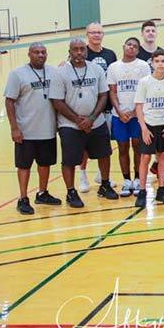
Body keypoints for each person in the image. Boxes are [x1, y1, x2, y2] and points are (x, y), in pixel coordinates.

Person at [50, 39, 118, 208]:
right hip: (70, 125)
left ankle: (104, 184)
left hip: (96, 122)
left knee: (104, 154)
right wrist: (77, 120)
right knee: (69, 160)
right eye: (75, 49)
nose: (79, 52)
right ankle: (71, 192)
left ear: (86, 51)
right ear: (70, 52)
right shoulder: (60, 72)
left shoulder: (96, 69)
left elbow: (103, 95)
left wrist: (92, 119)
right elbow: (57, 101)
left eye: (82, 49)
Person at [5, 43, 61, 214]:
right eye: (36, 52)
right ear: (29, 54)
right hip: (26, 131)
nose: (40, 55)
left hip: (48, 129)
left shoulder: (53, 72)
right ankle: (23, 198)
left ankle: (42, 193)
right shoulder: (17, 74)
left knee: (45, 164)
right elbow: (9, 101)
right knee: (24, 166)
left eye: (43, 52)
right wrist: (14, 128)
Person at [107, 37, 151, 196]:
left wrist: (134, 112)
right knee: (123, 147)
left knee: (138, 146)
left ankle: (138, 178)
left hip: (137, 115)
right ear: (123, 46)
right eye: (129, 44)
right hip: (119, 116)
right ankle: (126, 180)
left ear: (138, 50)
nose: (132, 47)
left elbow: (146, 91)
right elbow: (112, 91)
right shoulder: (113, 67)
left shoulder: (143, 66)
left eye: (135, 46)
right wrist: (119, 111)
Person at [78, 22, 117, 193]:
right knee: (85, 146)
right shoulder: (81, 53)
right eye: (92, 32)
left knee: (104, 145)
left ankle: (102, 175)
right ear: (87, 34)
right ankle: (82, 175)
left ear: (103, 35)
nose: (96, 35)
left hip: (106, 106)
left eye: (99, 32)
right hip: (87, 109)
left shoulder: (110, 54)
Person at [133, 49, 164, 207]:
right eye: (157, 61)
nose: (160, 64)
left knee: (162, 157)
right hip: (148, 125)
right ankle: (142, 191)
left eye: (163, 61)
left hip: (163, 125)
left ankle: (161, 190)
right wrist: (143, 128)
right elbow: (139, 106)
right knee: (145, 158)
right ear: (152, 63)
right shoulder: (145, 82)